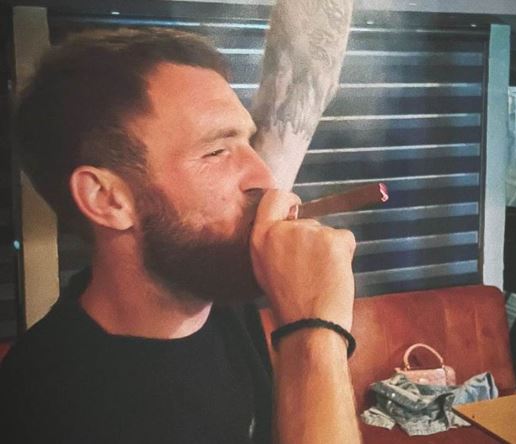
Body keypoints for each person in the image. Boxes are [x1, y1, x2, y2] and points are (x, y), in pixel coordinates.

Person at [0, 1, 361, 443]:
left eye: (246, 142)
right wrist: (314, 329)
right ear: (107, 199)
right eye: (216, 151)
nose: (264, 177)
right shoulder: (49, 405)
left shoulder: (221, 303)